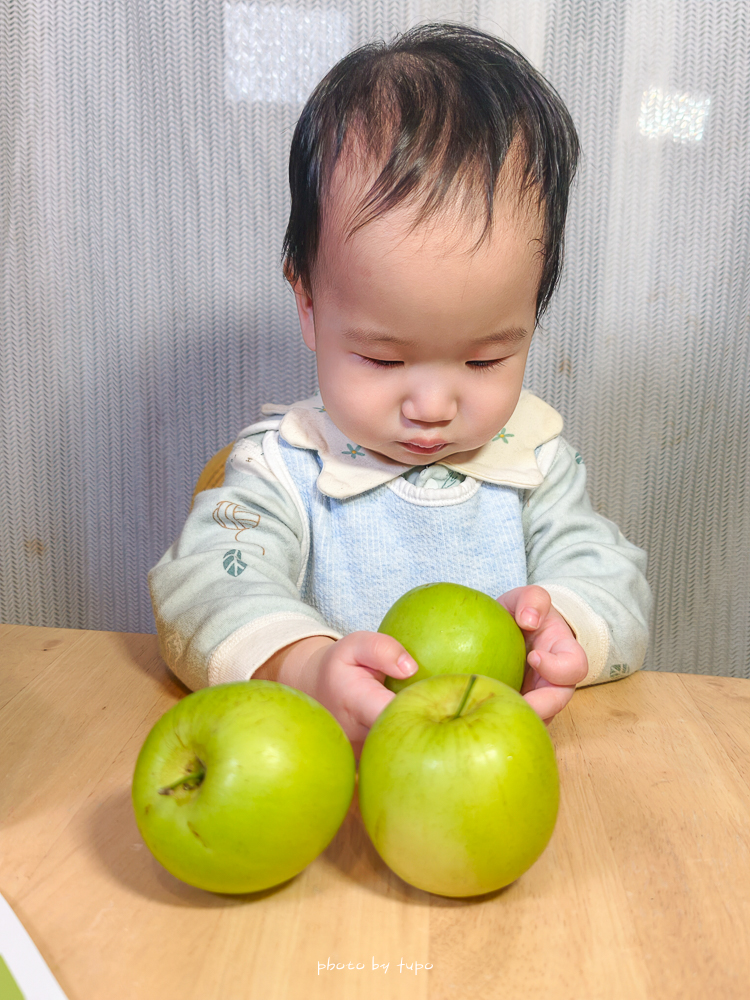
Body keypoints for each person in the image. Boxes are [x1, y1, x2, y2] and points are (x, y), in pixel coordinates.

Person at [149, 23, 651, 757]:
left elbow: (617, 581)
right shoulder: (286, 466)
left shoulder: (533, 462)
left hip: (489, 773)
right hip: (320, 782)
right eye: (384, 360)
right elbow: (200, 594)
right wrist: (305, 665)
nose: (434, 406)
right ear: (310, 307)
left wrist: (568, 625)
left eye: (484, 361)